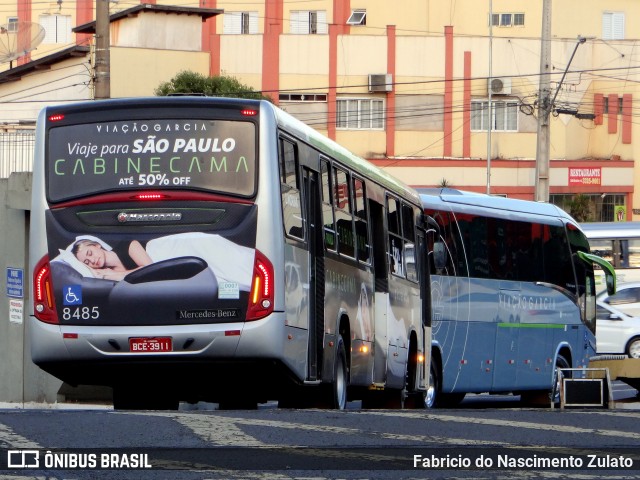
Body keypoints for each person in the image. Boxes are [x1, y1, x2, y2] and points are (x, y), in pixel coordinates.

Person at [72, 238, 152, 281]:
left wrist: (115, 274)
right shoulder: (105, 276)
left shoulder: (128, 245)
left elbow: (150, 270)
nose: (92, 261)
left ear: (97, 245)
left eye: (90, 253)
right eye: (87, 262)